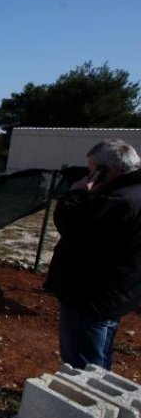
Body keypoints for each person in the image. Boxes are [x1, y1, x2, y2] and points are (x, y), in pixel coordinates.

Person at [45, 139, 141, 370]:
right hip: (113, 291)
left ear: (104, 170)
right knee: (98, 351)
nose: (89, 175)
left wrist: (76, 194)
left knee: (85, 361)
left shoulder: (121, 200)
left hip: (91, 293)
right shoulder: (132, 193)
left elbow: (73, 223)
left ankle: (81, 402)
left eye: (92, 169)